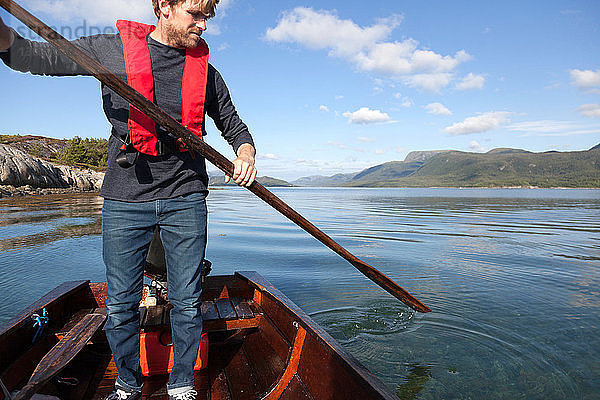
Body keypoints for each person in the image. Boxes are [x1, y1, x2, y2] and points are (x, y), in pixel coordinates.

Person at [0, 1, 256, 399]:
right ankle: (127, 385)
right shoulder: (111, 51)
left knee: (187, 301)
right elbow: (30, 56)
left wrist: (245, 153)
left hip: (185, 195)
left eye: (209, 17)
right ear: (165, 7)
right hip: (125, 197)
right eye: (197, 15)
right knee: (120, 305)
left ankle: (183, 384)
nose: (204, 26)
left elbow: (233, 124)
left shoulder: (206, 72)